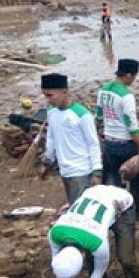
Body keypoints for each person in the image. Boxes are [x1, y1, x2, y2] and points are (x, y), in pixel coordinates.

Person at [49, 185, 139, 278]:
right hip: (92, 195)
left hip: (121, 205)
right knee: (94, 261)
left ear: (83, 256)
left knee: (126, 258)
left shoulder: (97, 243)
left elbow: (98, 272)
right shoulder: (55, 233)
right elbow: (57, 262)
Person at [39, 73, 102, 205]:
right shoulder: (52, 111)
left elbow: (93, 144)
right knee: (73, 204)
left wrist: (97, 172)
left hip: (81, 171)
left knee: (80, 210)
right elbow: (51, 137)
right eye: (45, 96)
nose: (48, 100)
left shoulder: (82, 115)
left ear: (64, 92)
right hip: (65, 170)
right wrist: (47, 161)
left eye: (50, 95)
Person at [97, 59, 139, 216]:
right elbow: (131, 125)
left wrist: (100, 132)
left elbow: (99, 116)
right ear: (128, 75)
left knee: (114, 177)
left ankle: (115, 210)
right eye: (134, 77)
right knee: (137, 177)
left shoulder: (104, 90)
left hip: (109, 142)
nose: (133, 80)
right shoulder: (127, 96)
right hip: (125, 144)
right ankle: (134, 208)